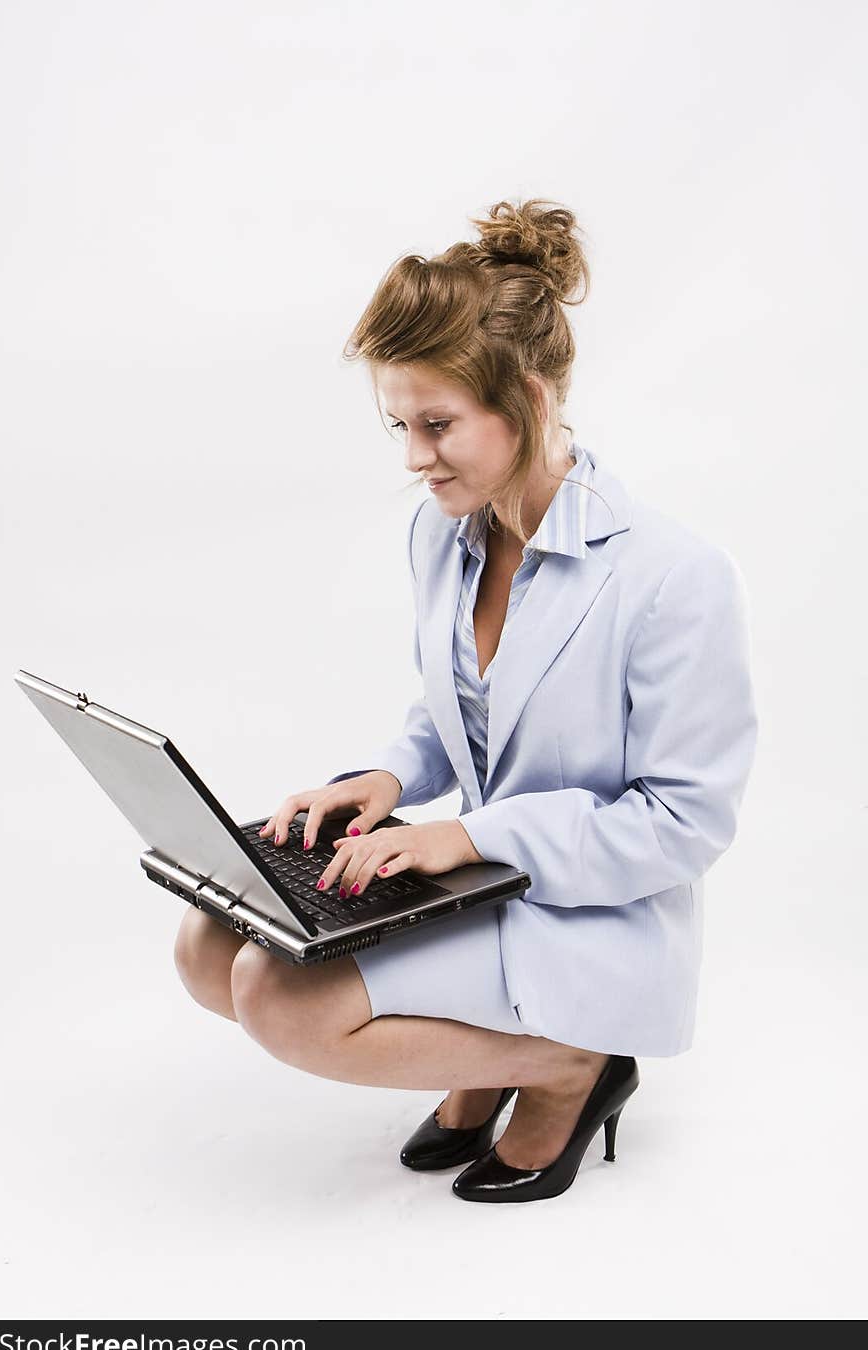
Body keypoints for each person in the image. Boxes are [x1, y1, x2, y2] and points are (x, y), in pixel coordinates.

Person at [173, 197, 758, 1204]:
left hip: (589, 906)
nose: (413, 457)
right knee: (207, 942)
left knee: (281, 999)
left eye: (437, 424)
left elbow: (685, 822)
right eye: (400, 424)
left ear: (528, 399)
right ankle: (494, 1053)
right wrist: (394, 774)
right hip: (484, 882)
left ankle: (573, 1062)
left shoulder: (670, 577)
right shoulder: (443, 537)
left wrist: (472, 837)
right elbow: (461, 706)